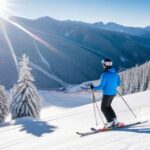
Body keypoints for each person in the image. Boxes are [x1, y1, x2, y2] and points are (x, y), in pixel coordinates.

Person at [91, 58, 121, 128]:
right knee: (108, 106)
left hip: (107, 94)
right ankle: (114, 120)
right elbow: (118, 83)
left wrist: (93, 87)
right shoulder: (116, 74)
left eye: (103, 64)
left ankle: (110, 122)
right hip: (113, 93)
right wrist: (112, 86)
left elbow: (101, 86)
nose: (103, 66)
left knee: (103, 108)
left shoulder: (105, 74)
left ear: (105, 65)